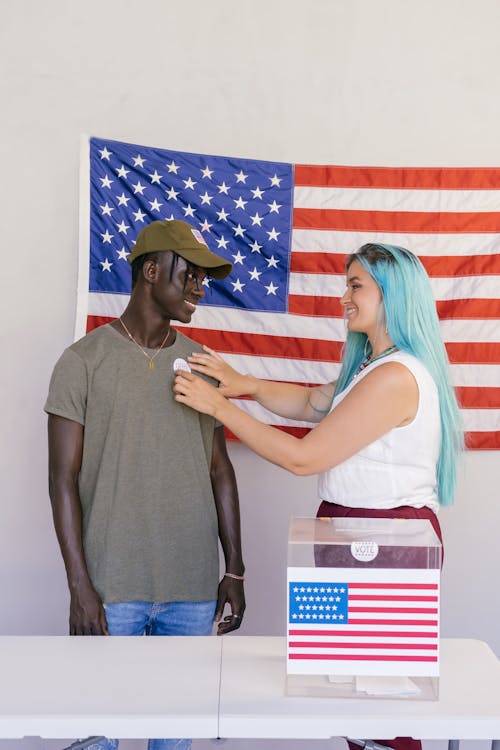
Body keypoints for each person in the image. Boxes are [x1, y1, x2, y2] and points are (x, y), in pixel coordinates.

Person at [174, 242, 463, 750]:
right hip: (351, 533)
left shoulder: (397, 377)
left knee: (383, 704)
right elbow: (312, 402)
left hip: (385, 546)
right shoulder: (377, 365)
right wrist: (246, 385)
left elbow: (303, 458)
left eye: (355, 286)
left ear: (392, 295)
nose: (342, 298)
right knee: (348, 694)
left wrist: (219, 407)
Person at [45, 220, 245, 750]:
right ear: (151, 271)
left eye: (206, 278)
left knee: (174, 742)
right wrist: (79, 587)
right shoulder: (83, 361)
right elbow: (61, 480)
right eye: (192, 276)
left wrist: (235, 569)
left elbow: (220, 469)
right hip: (111, 592)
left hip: (191, 591)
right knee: (94, 738)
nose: (201, 289)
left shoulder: (201, 367)